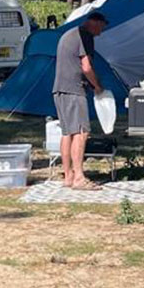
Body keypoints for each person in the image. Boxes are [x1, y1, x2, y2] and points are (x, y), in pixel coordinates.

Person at [53, 12, 109, 189]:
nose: (101, 32)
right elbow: (86, 67)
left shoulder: (70, 33)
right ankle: (79, 178)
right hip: (73, 89)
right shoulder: (84, 36)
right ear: (93, 23)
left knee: (67, 132)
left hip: (59, 89)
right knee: (81, 132)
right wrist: (97, 86)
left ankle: (68, 176)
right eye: (101, 27)